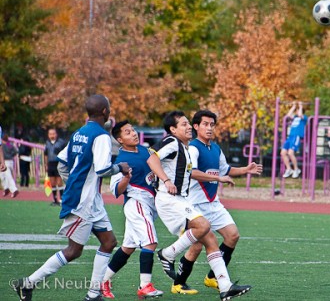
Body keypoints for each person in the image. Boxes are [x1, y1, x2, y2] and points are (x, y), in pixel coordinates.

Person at [11, 94, 131, 301]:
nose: (110, 111)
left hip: (92, 201)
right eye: (109, 107)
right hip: (82, 203)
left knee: (109, 242)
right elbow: (103, 169)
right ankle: (27, 284)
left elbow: (62, 163)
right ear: (105, 112)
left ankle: (94, 293)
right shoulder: (101, 136)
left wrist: (74, 182)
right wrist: (120, 167)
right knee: (74, 250)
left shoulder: (79, 133)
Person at [146, 110, 251, 301]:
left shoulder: (187, 149)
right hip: (170, 200)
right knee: (203, 229)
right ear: (173, 129)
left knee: (210, 240)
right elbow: (151, 157)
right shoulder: (172, 142)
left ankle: (224, 287)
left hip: (182, 201)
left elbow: (222, 169)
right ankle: (168, 255)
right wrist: (166, 180)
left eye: (188, 123)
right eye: (184, 124)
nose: (188, 127)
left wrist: (244, 170)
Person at [169, 110, 263, 294]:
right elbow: (192, 172)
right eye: (205, 124)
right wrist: (220, 179)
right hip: (195, 205)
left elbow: (226, 169)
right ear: (195, 127)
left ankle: (212, 277)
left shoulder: (216, 148)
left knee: (232, 236)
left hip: (213, 203)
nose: (209, 128)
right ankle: (178, 283)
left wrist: (245, 169)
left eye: (212, 125)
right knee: (197, 246)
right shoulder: (193, 148)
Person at [100, 120, 163, 299]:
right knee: (150, 242)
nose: (133, 133)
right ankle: (145, 285)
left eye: (133, 130)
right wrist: (126, 178)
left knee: (128, 247)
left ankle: (102, 281)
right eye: (128, 132)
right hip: (136, 203)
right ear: (120, 139)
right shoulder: (121, 160)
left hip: (148, 204)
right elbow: (116, 191)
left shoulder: (144, 150)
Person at [280, 102, 307, 178]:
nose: (297, 112)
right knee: (283, 153)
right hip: (290, 137)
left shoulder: (304, 118)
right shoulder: (295, 117)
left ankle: (296, 169)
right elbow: (288, 115)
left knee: (290, 153)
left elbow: (300, 115)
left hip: (297, 136)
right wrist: (294, 106)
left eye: (298, 111)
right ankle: (289, 169)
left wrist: (301, 106)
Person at [44, 128, 66, 206]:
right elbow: (46, 154)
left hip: (58, 163)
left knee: (59, 182)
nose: (52, 135)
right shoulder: (47, 143)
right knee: (52, 182)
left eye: (53, 134)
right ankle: (55, 199)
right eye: (50, 134)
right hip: (50, 164)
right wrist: (46, 165)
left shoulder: (61, 143)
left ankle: (61, 199)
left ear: (56, 134)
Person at [1, 133, 19, 197]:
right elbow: (16, 151)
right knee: (3, 176)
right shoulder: (9, 144)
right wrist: (12, 155)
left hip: (5, 162)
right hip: (10, 161)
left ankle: (14, 190)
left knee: (8, 176)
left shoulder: (2, 144)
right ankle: (6, 188)